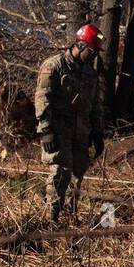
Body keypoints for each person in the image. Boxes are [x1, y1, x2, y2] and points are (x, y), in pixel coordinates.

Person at [35, 23, 105, 224]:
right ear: (81, 45)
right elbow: (42, 99)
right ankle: (51, 219)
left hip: (81, 132)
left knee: (78, 174)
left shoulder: (90, 73)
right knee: (59, 172)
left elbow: (95, 105)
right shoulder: (54, 66)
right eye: (92, 51)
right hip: (57, 130)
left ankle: (70, 216)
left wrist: (97, 132)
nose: (94, 56)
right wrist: (45, 130)